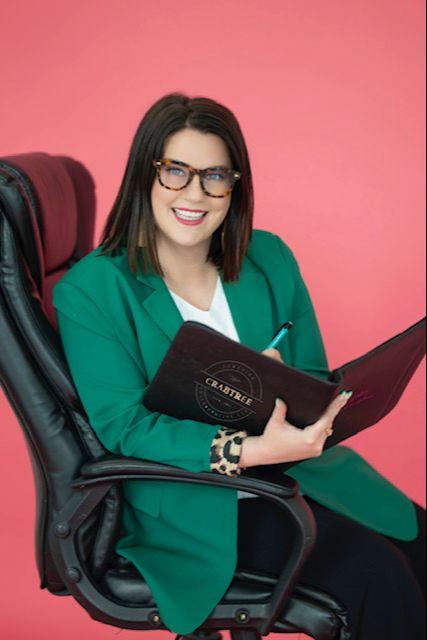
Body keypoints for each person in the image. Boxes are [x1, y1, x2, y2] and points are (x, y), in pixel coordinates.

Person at [52, 92, 426, 638]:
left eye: (215, 176)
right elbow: (123, 424)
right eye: (176, 171)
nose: (195, 194)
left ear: (235, 185)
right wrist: (245, 450)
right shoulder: (93, 289)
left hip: (297, 475)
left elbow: (312, 375)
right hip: (195, 504)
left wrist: (293, 396)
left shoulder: (269, 257)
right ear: (145, 175)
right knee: (380, 579)